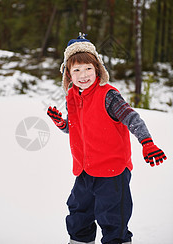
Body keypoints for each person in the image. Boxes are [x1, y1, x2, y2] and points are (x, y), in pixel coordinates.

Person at [47, 33, 167, 244]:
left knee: (113, 220)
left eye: (88, 69)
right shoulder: (73, 96)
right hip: (84, 171)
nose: (83, 74)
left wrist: (147, 142)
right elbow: (76, 128)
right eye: (77, 70)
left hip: (113, 173)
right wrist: (62, 124)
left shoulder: (108, 96)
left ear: (98, 70)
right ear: (68, 74)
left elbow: (132, 117)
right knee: (78, 214)